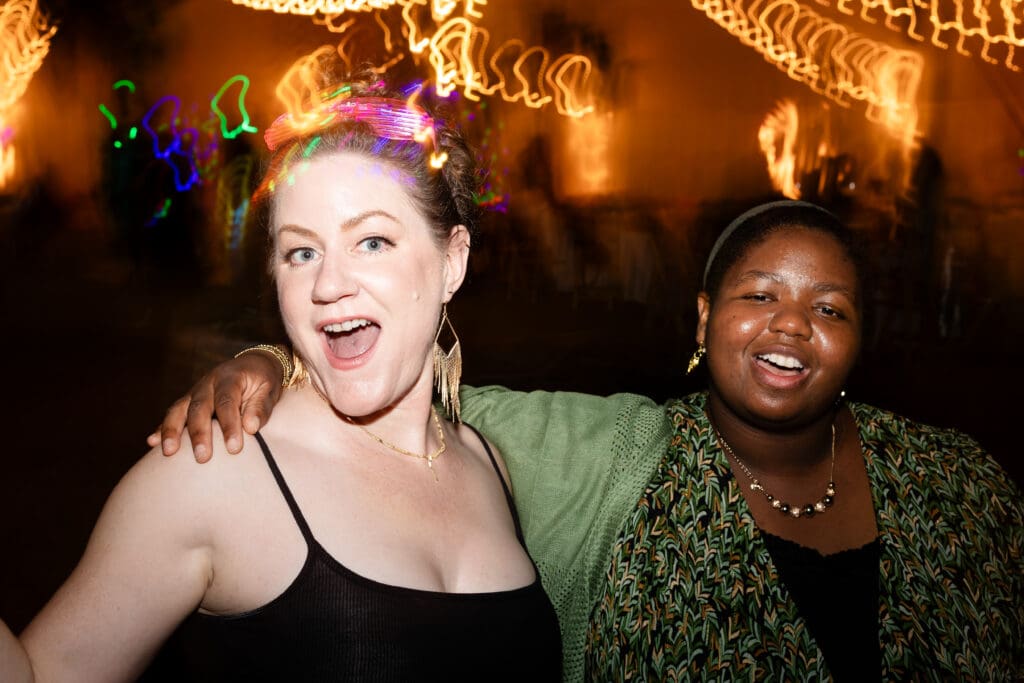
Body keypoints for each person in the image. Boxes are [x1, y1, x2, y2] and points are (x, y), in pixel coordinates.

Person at [153, 200, 1024, 681]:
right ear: (705, 317)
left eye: (829, 308)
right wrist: (272, 362)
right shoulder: (605, 452)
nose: (791, 326)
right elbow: (404, 397)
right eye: (760, 295)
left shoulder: (960, 483)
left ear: (860, 340)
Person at [1, 73, 563, 682]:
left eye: (372, 241)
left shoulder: (490, 463)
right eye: (302, 252)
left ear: (452, 261)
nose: (328, 285)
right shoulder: (213, 468)